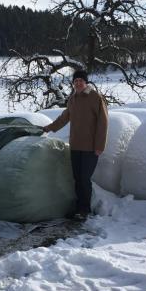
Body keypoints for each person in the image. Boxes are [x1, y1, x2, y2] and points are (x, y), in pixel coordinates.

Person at [41, 69, 108, 221]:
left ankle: (85, 210)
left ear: (86, 82)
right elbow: (64, 118)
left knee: (84, 178)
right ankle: (79, 208)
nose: (78, 83)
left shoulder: (95, 97)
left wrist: (99, 146)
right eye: (76, 81)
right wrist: (49, 127)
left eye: (81, 81)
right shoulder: (72, 99)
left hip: (91, 147)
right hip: (76, 146)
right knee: (77, 178)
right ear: (73, 83)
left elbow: (103, 123)